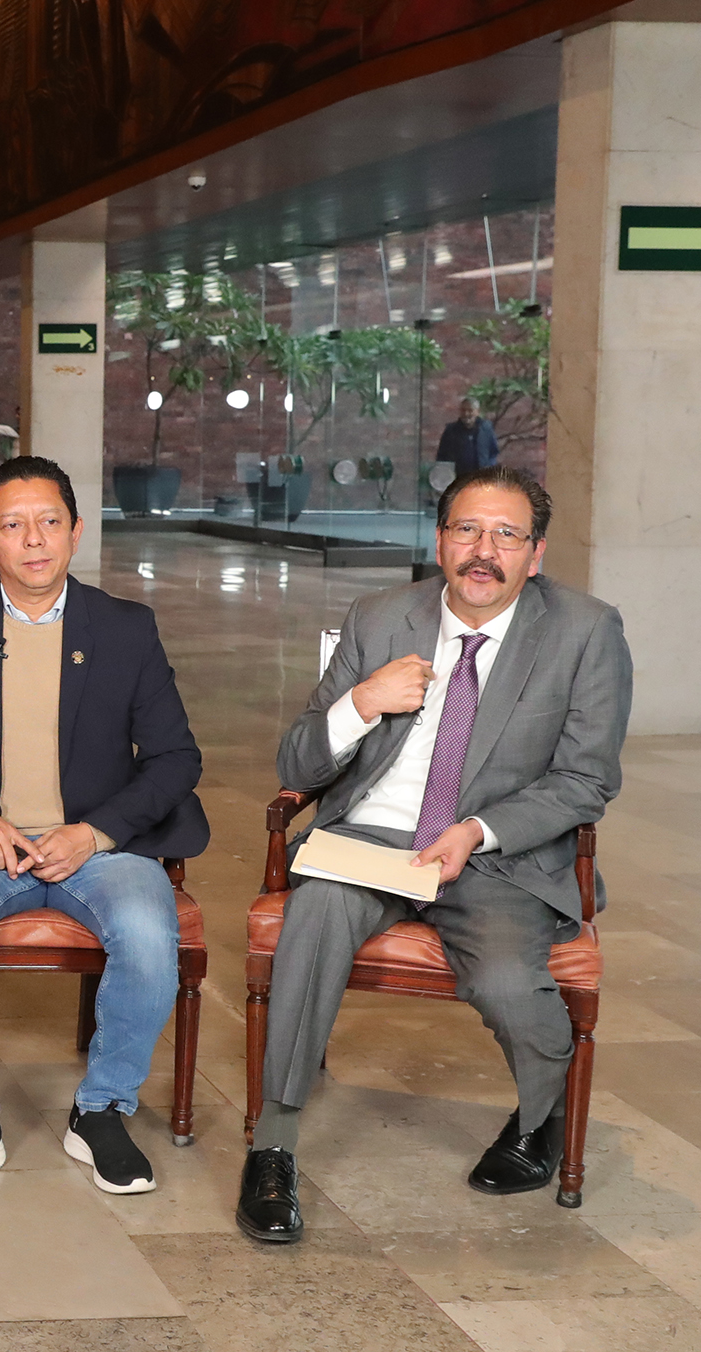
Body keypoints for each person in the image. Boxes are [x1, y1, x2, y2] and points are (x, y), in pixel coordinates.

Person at [238, 466, 631, 1244]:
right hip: (372, 838)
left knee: (508, 981)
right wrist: (362, 702)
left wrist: (478, 830)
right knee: (313, 918)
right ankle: (271, 1147)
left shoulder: (585, 630)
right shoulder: (380, 616)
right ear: (441, 539)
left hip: (492, 852)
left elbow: (587, 779)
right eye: (467, 530)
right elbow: (297, 763)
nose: (484, 550)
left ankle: (541, 1115)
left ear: (536, 553)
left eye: (506, 535)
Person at [0, 456, 208, 1199]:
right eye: (13, 524)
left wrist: (96, 832)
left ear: (76, 531)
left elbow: (176, 758)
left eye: (50, 521)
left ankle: (102, 1109)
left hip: (98, 845)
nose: (34, 539)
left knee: (150, 930)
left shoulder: (125, 628)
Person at [435, 397, 500, 475]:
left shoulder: (486, 429)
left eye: (470, 410)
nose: (466, 414)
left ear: (477, 412)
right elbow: (441, 456)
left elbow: (493, 452)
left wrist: (489, 467)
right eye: (463, 410)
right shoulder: (451, 431)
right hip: (457, 477)